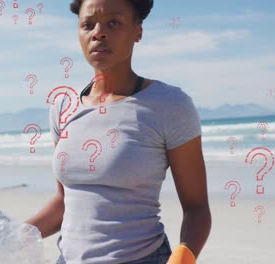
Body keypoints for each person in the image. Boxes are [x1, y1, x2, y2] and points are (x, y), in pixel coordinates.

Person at [25, 0, 211, 263]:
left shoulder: (170, 105)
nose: (98, 33)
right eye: (88, 25)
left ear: (138, 31)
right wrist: (14, 233)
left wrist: (183, 257)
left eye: (114, 23)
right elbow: (65, 201)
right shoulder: (62, 107)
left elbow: (196, 208)